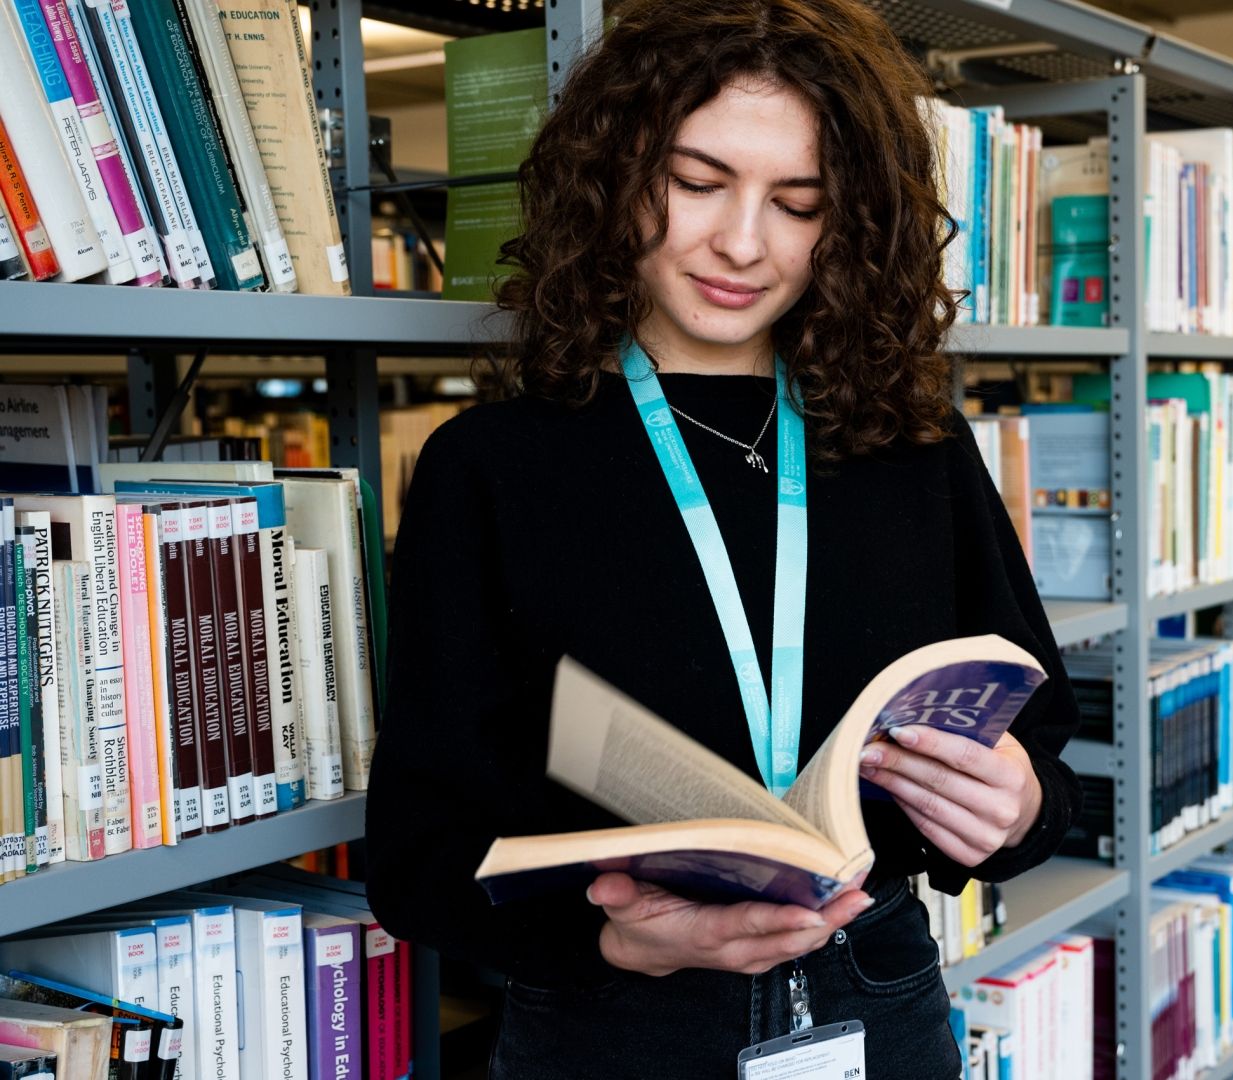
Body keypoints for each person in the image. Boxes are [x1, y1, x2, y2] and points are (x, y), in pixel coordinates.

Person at [362, 2, 1083, 1076]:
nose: (743, 243)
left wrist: (1018, 808)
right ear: (614, 176)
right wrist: (607, 939)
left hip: (877, 995)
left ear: (848, 225)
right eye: (697, 184)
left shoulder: (912, 450)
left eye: (798, 204)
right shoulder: (491, 466)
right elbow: (414, 858)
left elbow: (1042, 758)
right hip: (609, 1024)